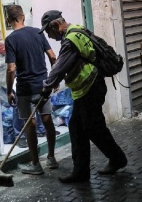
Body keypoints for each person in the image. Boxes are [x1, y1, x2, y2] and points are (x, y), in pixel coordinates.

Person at [39, 10, 127, 183]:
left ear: (56, 25)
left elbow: (59, 67)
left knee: (93, 128)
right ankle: (81, 171)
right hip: (88, 88)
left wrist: (46, 88)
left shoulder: (71, 40)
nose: (49, 36)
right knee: (78, 128)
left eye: (48, 32)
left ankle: (116, 159)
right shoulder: (76, 30)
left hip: (90, 88)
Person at [5, 5, 58, 175]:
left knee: (30, 125)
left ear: (9, 20)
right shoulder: (38, 32)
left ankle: (36, 164)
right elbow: (52, 56)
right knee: (48, 119)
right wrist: (54, 78)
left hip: (25, 88)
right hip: (43, 84)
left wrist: (9, 91)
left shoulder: (11, 39)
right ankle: (51, 157)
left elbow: (11, 69)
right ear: (23, 17)